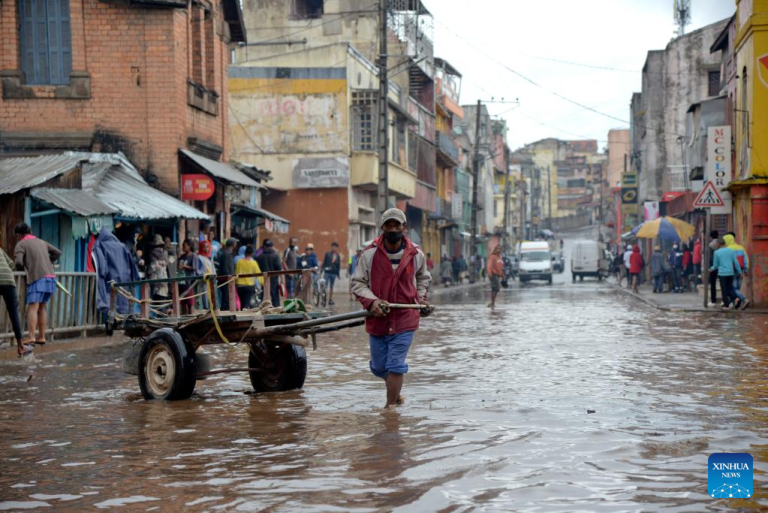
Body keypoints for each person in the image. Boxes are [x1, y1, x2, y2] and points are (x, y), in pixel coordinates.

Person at [350, 208, 432, 410]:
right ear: (382, 227)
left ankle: (390, 411)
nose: (393, 228)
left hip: (405, 317)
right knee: (379, 367)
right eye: (389, 224)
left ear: (404, 227)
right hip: (378, 318)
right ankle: (396, 391)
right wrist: (373, 302)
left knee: (395, 365)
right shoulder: (369, 253)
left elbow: (423, 278)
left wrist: (420, 300)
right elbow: (358, 283)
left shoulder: (416, 254)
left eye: (397, 225)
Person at [13, 223, 61, 346]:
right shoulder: (41, 242)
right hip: (50, 277)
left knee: (33, 307)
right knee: (42, 307)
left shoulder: (21, 244)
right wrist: (46, 262)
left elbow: (18, 261)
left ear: (19, 235)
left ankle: (31, 336)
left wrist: (22, 269)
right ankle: (41, 337)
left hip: (37, 277)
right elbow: (57, 253)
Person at [1, 246, 27, 356]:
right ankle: (21, 346)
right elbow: (12, 265)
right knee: (13, 312)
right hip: (8, 281)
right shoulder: (0, 249)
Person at [711, 237, 742, 309]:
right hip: (730, 273)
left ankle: (727, 304)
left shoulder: (716, 252)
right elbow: (736, 262)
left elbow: (716, 265)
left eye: (716, 244)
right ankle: (736, 298)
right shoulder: (731, 251)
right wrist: (739, 271)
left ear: (718, 244)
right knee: (729, 288)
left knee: (724, 290)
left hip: (722, 274)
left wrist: (711, 269)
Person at [724, 233, 750, 309]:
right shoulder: (741, 248)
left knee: (732, 288)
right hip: (740, 270)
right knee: (737, 288)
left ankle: (744, 299)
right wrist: (746, 269)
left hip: (731, 271)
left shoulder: (727, 249)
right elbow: (746, 259)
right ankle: (735, 302)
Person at [256, 239, 283, 307]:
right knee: (275, 297)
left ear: (264, 246)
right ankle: (276, 311)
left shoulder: (260, 256)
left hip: (263, 279)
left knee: (264, 297)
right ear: (272, 246)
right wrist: (282, 280)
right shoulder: (275, 255)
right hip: (274, 279)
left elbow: (257, 269)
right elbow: (279, 269)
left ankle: (264, 310)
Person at [235, 245, 262, 310]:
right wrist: (261, 284)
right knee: (246, 304)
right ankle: (244, 316)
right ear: (252, 253)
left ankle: (241, 315)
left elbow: (236, 273)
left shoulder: (239, 262)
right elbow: (259, 274)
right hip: (249, 286)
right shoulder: (253, 263)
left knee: (242, 303)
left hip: (240, 286)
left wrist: (236, 283)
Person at [147, 234, 170, 308]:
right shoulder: (165, 252)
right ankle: (163, 316)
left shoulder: (152, 252)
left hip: (156, 279)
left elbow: (152, 267)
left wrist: (148, 273)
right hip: (164, 278)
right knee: (162, 300)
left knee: (157, 301)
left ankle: (159, 316)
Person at [216, 238, 237, 311]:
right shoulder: (227, 254)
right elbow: (225, 268)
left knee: (227, 296)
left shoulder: (227, 253)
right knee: (226, 297)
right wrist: (229, 277)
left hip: (227, 279)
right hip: (226, 279)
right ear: (233, 245)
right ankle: (226, 310)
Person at [177, 239, 196, 315]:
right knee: (183, 302)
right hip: (181, 281)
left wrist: (184, 266)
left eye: (184, 246)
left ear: (189, 246)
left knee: (190, 302)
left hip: (189, 281)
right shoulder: (182, 256)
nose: (183, 248)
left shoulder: (193, 256)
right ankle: (184, 317)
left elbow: (194, 268)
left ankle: (190, 316)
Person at [708, 230, 720, 307]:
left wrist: (710, 267)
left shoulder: (710, 245)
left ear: (711, 237)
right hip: (722, 266)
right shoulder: (721, 244)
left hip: (713, 266)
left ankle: (713, 300)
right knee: (724, 283)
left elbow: (710, 257)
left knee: (713, 284)